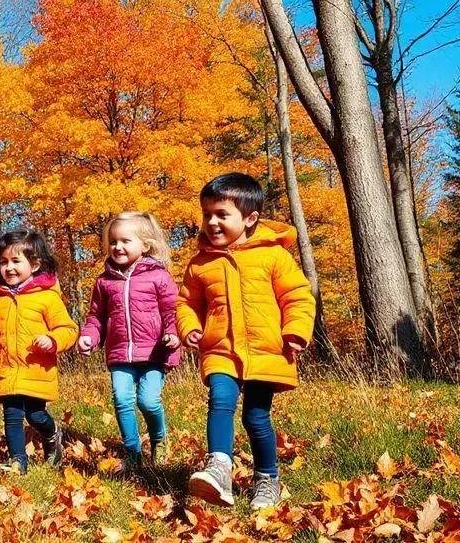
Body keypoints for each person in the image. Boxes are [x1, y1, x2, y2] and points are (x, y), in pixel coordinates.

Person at [177, 173, 315, 509]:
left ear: (249, 218)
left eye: (222, 215)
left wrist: (296, 330)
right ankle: (219, 468)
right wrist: (190, 326)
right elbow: (186, 303)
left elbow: (298, 296)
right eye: (207, 214)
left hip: (265, 350)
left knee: (256, 416)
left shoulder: (274, 256)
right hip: (221, 348)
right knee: (220, 399)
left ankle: (267, 479)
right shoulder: (200, 264)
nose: (212, 222)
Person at [0, 229, 79, 474]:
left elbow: (68, 328)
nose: (9, 268)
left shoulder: (47, 297)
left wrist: (52, 339)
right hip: (6, 369)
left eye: (16, 261)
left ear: (34, 265)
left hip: (36, 370)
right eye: (3, 262)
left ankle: (52, 431)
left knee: (36, 416)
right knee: (11, 415)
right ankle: (17, 462)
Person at [77, 212, 181, 471]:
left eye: (125, 241)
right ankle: (132, 452)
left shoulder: (159, 276)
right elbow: (96, 317)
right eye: (113, 242)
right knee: (122, 400)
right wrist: (89, 336)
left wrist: (173, 333)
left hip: (154, 352)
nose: (118, 247)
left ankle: (159, 439)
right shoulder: (104, 281)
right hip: (120, 353)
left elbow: (172, 310)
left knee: (148, 401)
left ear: (145, 245)